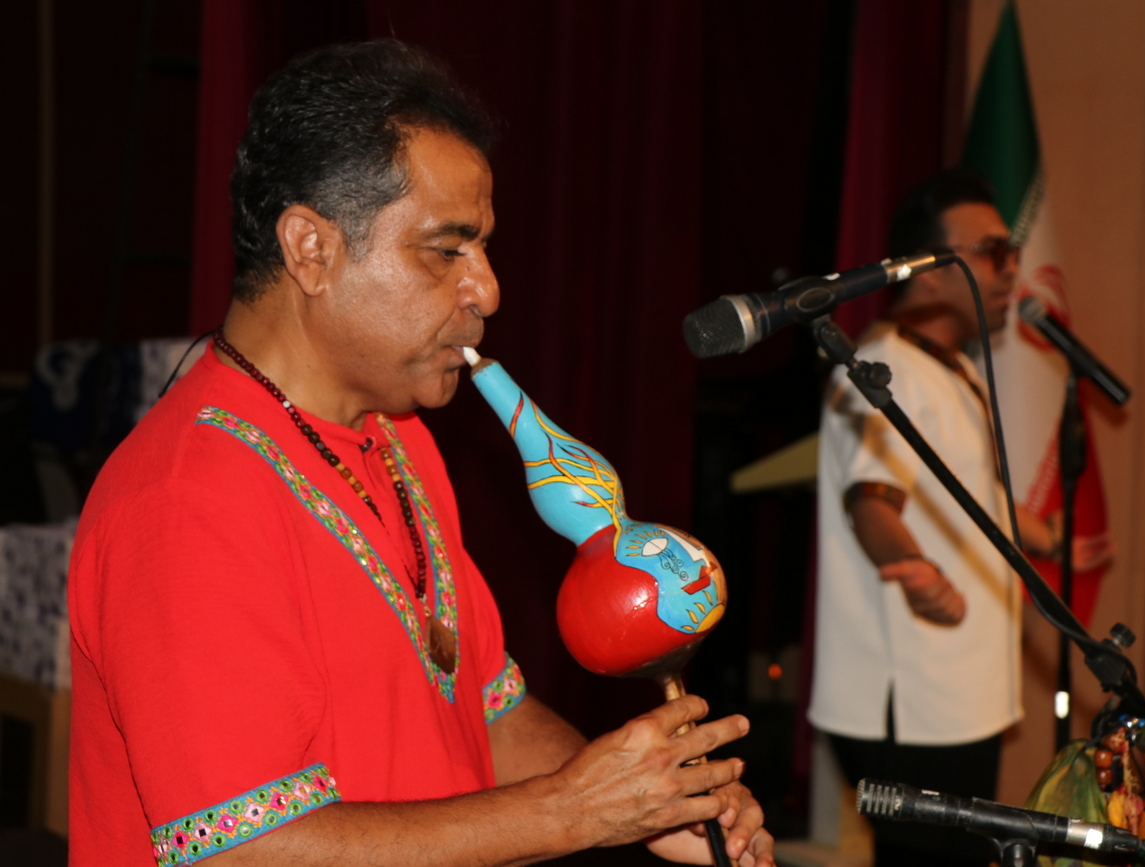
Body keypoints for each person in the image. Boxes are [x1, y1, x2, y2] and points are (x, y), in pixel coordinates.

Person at [68, 40, 773, 867]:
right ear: (310, 249)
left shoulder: (400, 440)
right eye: (447, 250)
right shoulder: (188, 501)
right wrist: (575, 810)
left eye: (483, 248)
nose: (487, 290)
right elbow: (243, 850)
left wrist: (654, 804)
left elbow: (486, 711)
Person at [808, 169, 1109, 867]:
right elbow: (871, 501)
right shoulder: (880, 367)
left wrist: (1052, 540)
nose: (1011, 270)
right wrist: (908, 564)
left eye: (1012, 251)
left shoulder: (955, 369)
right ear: (929, 271)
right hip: (912, 699)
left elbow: (974, 496)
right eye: (993, 251)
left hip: (960, 692)